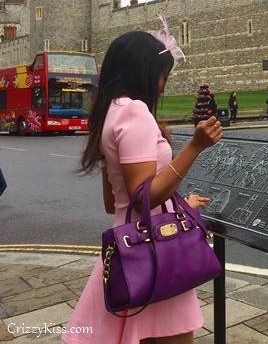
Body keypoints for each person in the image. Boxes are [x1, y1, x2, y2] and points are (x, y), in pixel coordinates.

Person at [64, 20, 223, 344]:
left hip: (130, 245)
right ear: (143, 72)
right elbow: (142, 197)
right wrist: (195, 146)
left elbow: (116, 201)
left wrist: (178, 204)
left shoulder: (111, 110)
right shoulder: (134, 112)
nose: (162, 86)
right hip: (154, 251)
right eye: (162, 75)